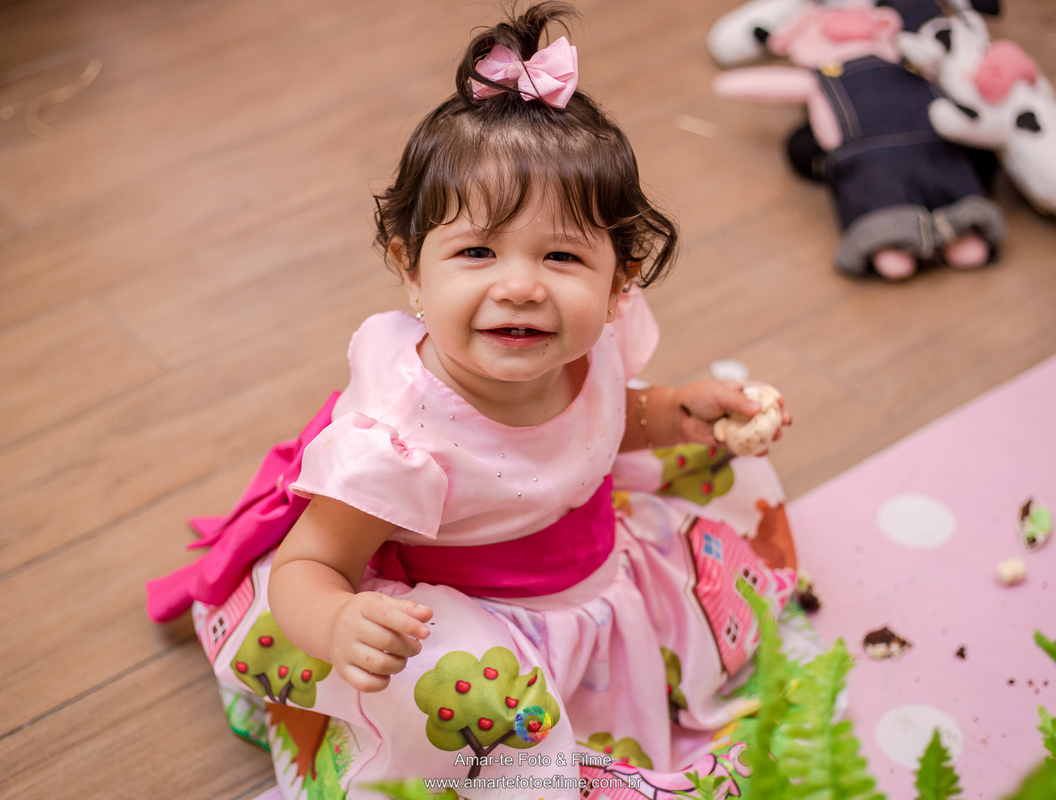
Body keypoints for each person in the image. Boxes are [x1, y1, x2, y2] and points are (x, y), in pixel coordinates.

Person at [147, 4, 814, 797]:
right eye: (477, 251)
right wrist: (337, 621)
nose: (521, 286)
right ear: (410, 268)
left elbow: (606, 425)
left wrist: (678, 412)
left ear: (620, 281)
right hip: (479, 640)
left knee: (723, 477)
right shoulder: (401, 437)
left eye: (562, 256)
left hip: (592, 579)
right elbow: (309, 564)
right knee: (482, 725)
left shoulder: (593, 348)